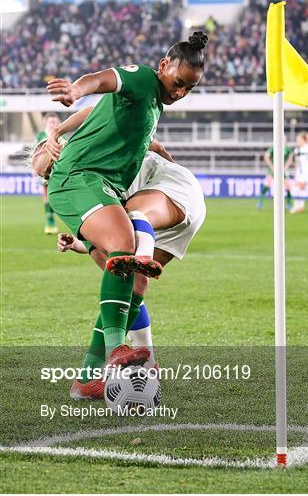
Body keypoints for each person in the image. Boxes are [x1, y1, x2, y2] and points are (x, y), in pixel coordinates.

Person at [43, 31, 208, 393]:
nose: (180, 92)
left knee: (134, 281)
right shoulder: (144, 78)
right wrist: (75, 89)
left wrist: (152, 141)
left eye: (189, 89)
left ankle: (88, 379)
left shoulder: (153, 104)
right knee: (125, 241)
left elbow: (98, 113)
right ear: (164, 66)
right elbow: (104, 80)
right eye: (179, 83)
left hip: (104, 187)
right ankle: (120, 349)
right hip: (80, 177)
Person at [57, 150, 206, 399]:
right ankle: (98, 378)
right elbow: (106, 238)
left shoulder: (86, 158)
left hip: (169, 189)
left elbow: (147, 136)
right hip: (160, 215)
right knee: (132, 283)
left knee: (134, 214)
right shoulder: (76, 182)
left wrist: (160, 151)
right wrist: (77, 244)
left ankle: (142, 257)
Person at [34, 113, 60, 234]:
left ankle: (52, 220)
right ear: (45, 123)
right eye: (51, 122)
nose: (53, 124)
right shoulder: (40, 135)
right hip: (44, 170)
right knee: (46, 196)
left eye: (55, 122)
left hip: (57, 170)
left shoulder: (60, 135)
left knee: (53, 196)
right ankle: (50, 222)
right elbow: (35, 152)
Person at [257, 136, 293, 210]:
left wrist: (285, 168)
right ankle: (260, 202)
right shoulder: (273, 148)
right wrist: (272, 166)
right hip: (274, 169)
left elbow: (290, 160)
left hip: (283, 169)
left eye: (284, 139)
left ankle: (289, 203)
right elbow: (266, 156)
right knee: (267, 184)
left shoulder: (288, 149)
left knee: (287, 186)